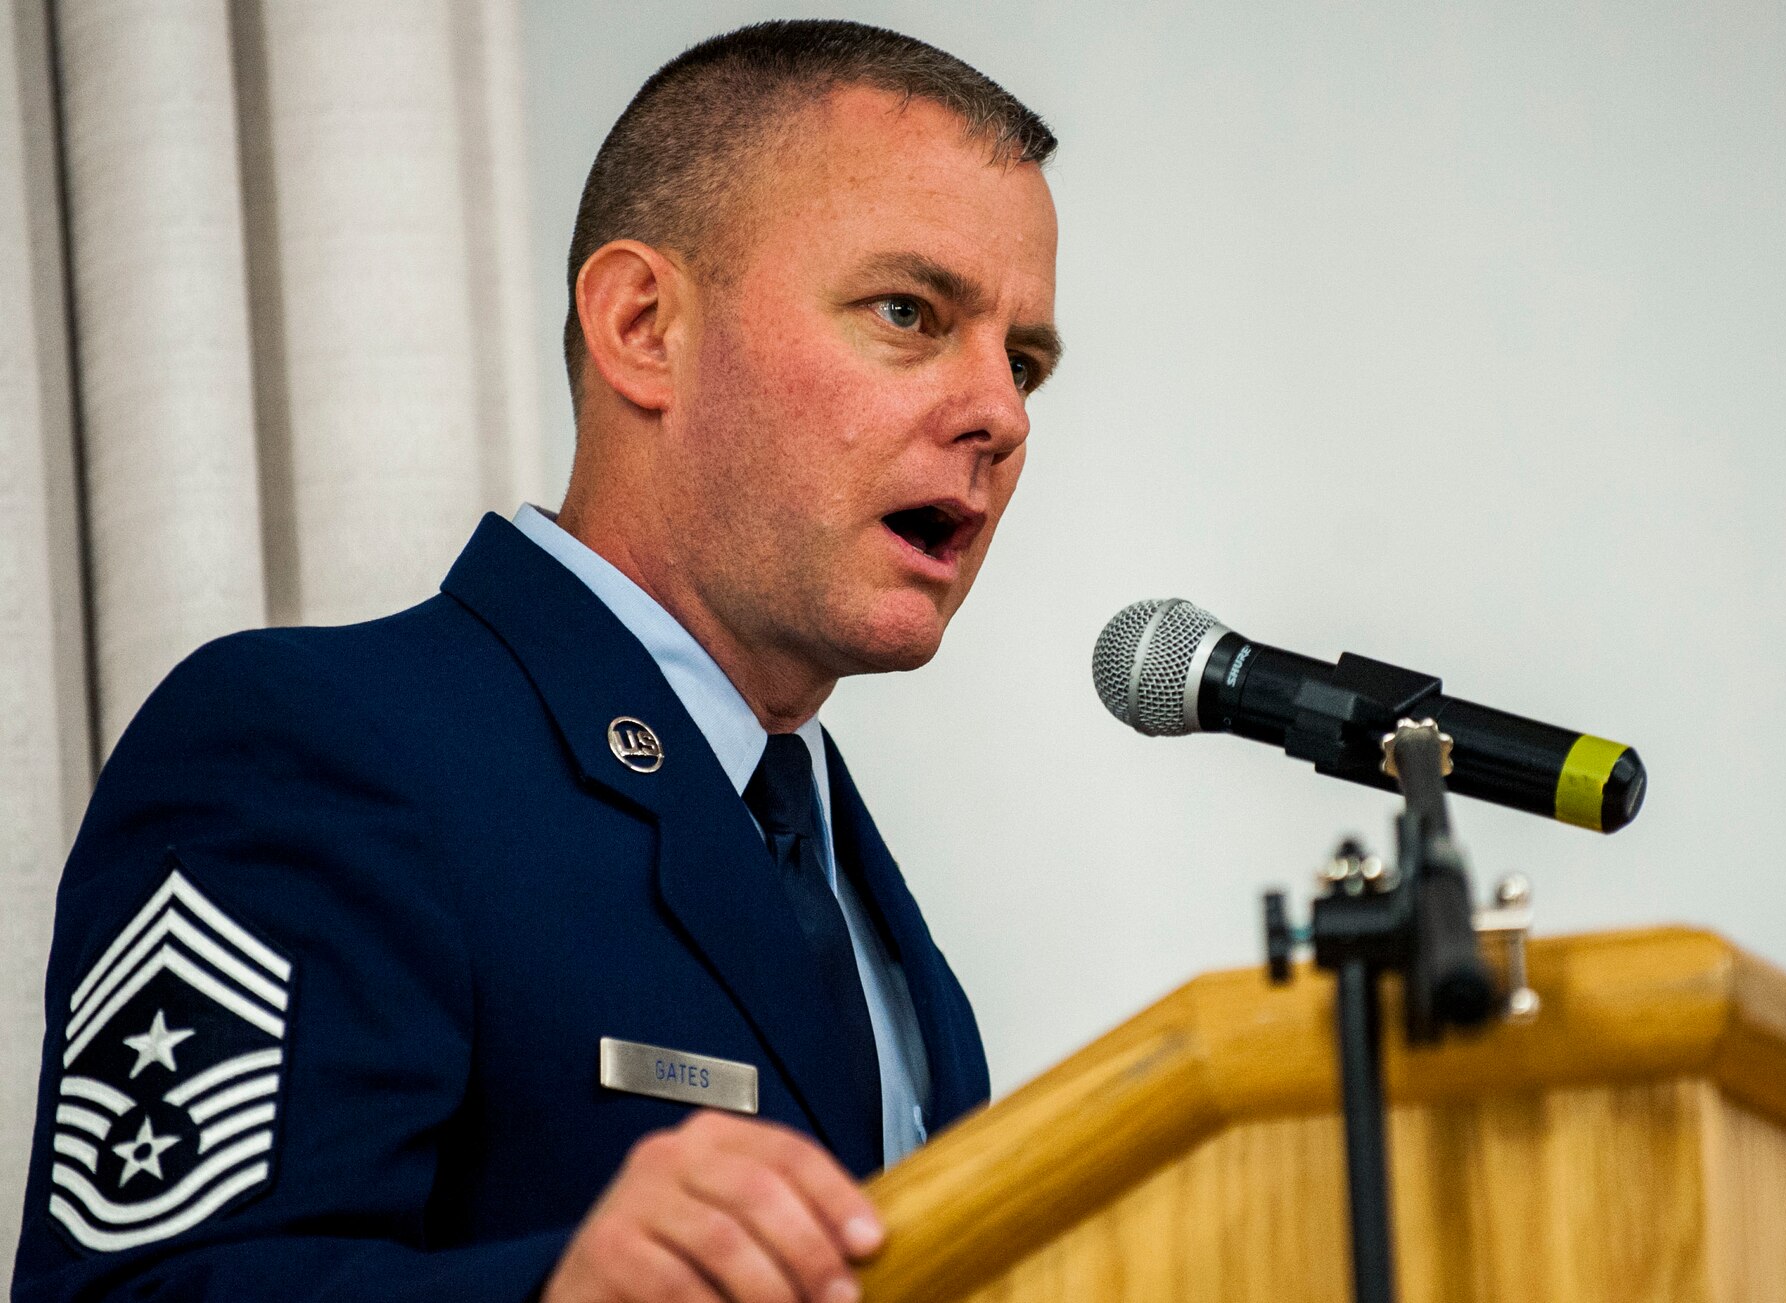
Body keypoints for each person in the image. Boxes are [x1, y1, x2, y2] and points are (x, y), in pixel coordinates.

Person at [11, 19, 1060, 1303]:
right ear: (641, 325)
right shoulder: (315, 748)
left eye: (1022, 361)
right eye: (908, 312)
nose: (999, 415)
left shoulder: (866, 908)